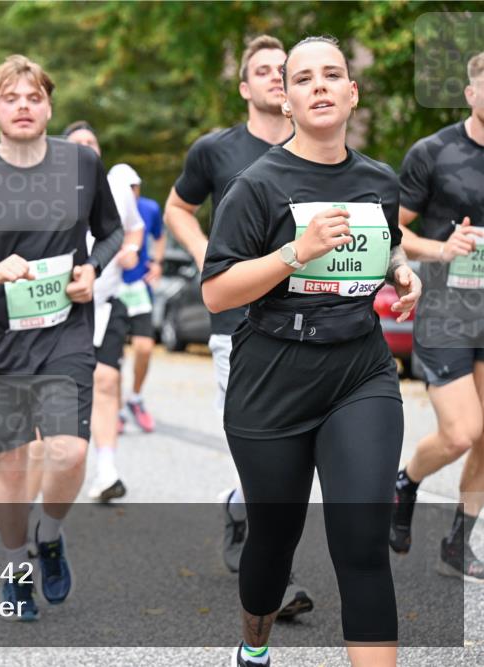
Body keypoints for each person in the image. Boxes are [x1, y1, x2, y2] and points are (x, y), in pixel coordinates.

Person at [202, 36, 421, 667]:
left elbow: (388, 242)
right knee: (274, 539)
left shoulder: (378, 180)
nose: (319, 85)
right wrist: (296, 252)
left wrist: (401, 272)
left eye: (331, 75)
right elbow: (217, 292)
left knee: (362, 543)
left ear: (352, 93)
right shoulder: (256, 185)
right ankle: (254, 646)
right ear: (287, 101)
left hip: (359, 371)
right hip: (273, 376)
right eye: (303, 78)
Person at [0, 55, 122, 620]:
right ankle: (15, 569)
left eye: (34, 97)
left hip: (65, 331)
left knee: (69, 450)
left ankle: (50, 535)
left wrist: (92, 270)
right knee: (10, 467)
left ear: (49, 107)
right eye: (10, 98)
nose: (23, 107)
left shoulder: (82, 165)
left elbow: (111, 234)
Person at [164, 35, 309, 599]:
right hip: (239, 324)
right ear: (245, 87)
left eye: (284, 68)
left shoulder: (316, 146)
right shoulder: (215, 150)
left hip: (308, 322)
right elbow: (178, 208)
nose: (276, 76)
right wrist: (208, 255)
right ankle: (279, 579)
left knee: (295, 451)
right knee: (270, 447)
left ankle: (238, 507)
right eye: (264, 70)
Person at [390, 51, 484, 581]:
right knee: (463, 432)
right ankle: (404, 482)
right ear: (470, 94)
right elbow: (394, 229)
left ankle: (458, 542)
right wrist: (442, 249)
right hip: (447, 311)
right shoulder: (433, 152)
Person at [64, 120, 144, 502]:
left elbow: (133, 228)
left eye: (91, 141)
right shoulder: (49, 189)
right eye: (77, 142)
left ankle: (107, 470)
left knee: (107, 381)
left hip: (106, 302)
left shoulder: (116, 187)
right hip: (61, 307)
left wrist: (131, 252)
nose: (86, 146)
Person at [119, 170, 166, 433]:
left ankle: (135, 398)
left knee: (145, 347)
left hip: (139, 287)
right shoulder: (104, 207)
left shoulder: (149, 208)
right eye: (125, 187)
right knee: (113, 355)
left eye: (134, 187)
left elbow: (160, 235)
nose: (131, 192)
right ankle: (114, 408)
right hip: (112, 288)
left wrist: (157, 263)